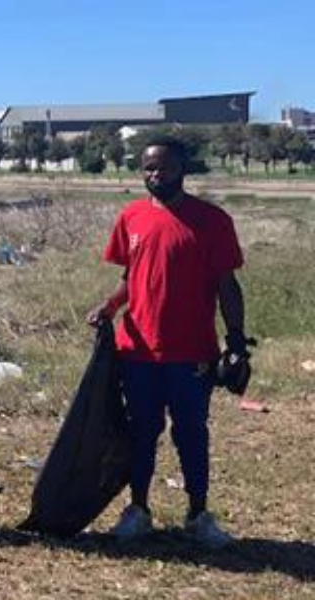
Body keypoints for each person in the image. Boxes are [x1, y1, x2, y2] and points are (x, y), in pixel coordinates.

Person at [87, 136, 249, 549]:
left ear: (183, 169)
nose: (155, 175)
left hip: (192, 352)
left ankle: (198, 514)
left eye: (164, 167)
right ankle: (138, 510)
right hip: (138, 350)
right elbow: (131, 279)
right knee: (142, 431)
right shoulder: (132, 218)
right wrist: (108, 307)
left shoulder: (211, 221)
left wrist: (234, 342)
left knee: (192, 432)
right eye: (148, 168)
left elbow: (227, 285)